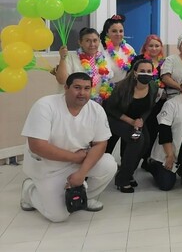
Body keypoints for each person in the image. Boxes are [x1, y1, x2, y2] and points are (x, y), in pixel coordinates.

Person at [20, 73, 117, 222]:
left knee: (109, 164)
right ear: (66, 88)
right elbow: (37, 146)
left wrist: (81, 173)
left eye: (86, 88)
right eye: (77, 88)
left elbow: (101, 144)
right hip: (48, 167)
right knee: (58, 216)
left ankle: (85, 196)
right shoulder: (45, 106)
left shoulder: (96, 109)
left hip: (77, 163)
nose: (82, 93)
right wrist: (74, 157)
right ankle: (29, 190)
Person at [103, 59, 158, 193]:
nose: (146, 74)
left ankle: (127, 172)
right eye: (142, 71)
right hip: (116, 119)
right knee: (137, 140)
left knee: (146, 143)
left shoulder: (153, 87)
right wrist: (131, 122)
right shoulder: (122, 87)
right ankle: (122, 180)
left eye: (149, 71)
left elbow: (148, 108)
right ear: (135, 72)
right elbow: (110, 109)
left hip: (137, 120)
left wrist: (140, 121)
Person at [146, 74, 182, 189]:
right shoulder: (171, 104)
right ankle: (153, 164)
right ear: (180, 87)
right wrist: (169, 155)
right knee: (166, 185)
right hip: (168, 150)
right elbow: (164, 130)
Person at [131, 35, 167, 169]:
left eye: (157, 46)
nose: (154, 48)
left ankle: (147, 159)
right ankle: (129, 161)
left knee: (153, 131)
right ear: (146, 47)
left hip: (157, 103)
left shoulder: (164, 62)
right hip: (140, 102)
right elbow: (131, 79)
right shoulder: (138, 60)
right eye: (151, 45)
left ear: (161, 47)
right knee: (137, 132)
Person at [54, 27, 115, 104]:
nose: (92, 44)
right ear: (80, 42)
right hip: (74, 103)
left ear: (99, 41)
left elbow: (110, 80)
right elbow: (62, 80)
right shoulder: (70, 57)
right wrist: (62, 58)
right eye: (87, 41)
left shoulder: (104, 58)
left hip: (99, 103)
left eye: (95, 40)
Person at [100, 14, 136, 83]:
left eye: (121, 31)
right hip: (106, 89)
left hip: (124, 88)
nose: (118, 34)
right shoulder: (101, 49)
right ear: (107, 32)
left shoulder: (129, 49)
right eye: (114, 31)